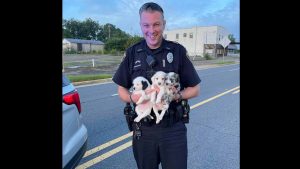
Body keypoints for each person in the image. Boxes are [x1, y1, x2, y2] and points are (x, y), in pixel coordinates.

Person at [112, 2, 201, 169]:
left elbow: (195, 89)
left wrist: (177, 95)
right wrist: (132, 97)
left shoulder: (177, 52)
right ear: (140, 25)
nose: (151, 30)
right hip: (144, 131)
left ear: (164, 24)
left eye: (156, 24)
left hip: (173, 130)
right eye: (146, 25)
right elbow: (121, 90)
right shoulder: (132, 53)